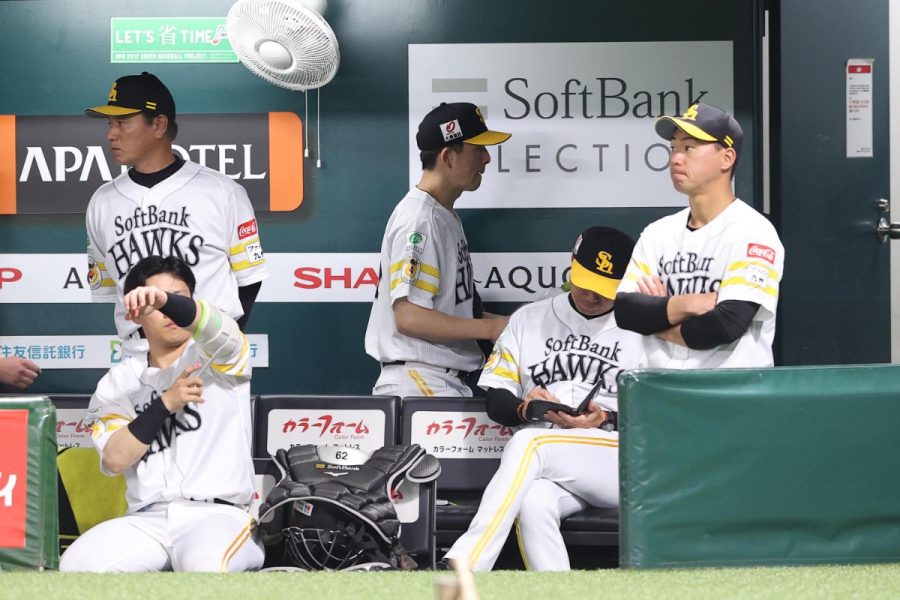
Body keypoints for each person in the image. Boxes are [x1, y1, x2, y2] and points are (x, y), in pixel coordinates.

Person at [443, 226, 646, 571]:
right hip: (554, 461)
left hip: (618, 459)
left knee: (530, 443)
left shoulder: (643, 328)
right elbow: (497, 400)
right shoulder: (529, 319)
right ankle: (554, 589)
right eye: (586, 282)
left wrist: (607, 418)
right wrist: (525, 408)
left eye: (604, 289)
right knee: (534, 501)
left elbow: (661, 412)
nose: (592, 295)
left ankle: (467, 563)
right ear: (572, 263)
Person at [59, 256, 263, 572]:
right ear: (135, 313)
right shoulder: (118, 382)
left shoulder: (220, 354)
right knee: (77, 567)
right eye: (156, 303)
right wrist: (165, 403)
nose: (169, 311)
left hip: (217, 515)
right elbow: (114, 459)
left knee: (206, 568)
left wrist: (163, 300)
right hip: (146, 520)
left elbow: (215, 326)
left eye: (177, 299)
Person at [84, 72, 268, 354]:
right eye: (110, 124)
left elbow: (249, 279)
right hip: (139, 356)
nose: (111, 134)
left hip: (209, 351)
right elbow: (110, 289)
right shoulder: (102, 201)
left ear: (158, 125)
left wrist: (222, 342)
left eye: (123, 123)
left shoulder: (222, 191)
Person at [614, 103, 785, 368]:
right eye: (673, 148)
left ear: (727, 158)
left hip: (730, 388)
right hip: (662, 387)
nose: (676, 159)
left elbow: (725, 325)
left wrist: (657, 317)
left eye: (689, 148)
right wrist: (688, 304)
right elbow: (626, 312)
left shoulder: (753, 232)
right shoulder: (657, 233)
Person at [364, 102, 511, 398]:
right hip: (421, 381)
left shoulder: (441, 214)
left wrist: (513, 323)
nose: (486, 158)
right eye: (477, 149)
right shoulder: (420, 219)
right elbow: (410, 317)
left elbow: (448, 310)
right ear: (447, 156)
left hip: (434, 381)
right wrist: (489, 329)